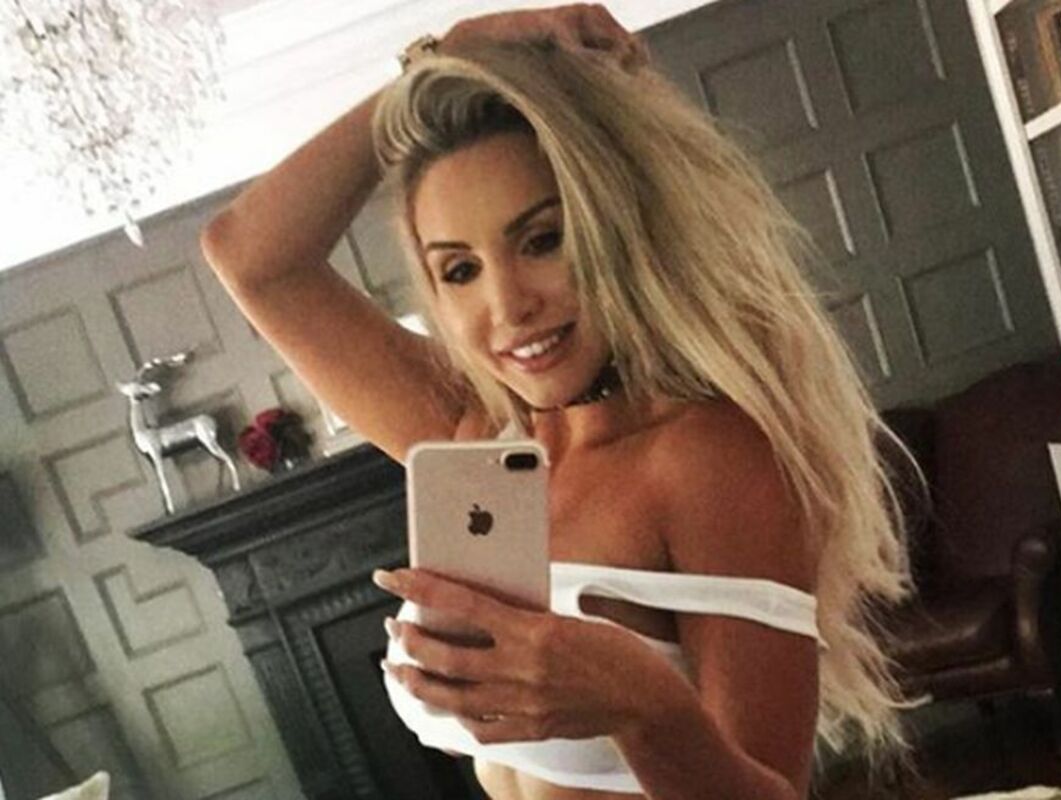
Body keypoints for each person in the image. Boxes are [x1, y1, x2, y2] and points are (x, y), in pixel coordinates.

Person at [200, 5, 915, 799]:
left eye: (542, 240)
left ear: (617, 229)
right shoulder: (475, 435)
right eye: (460, 270)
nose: (507, 307)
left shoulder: (703, 458)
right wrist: (442, 59)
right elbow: (251, 258)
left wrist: (643, 706)